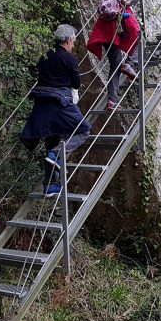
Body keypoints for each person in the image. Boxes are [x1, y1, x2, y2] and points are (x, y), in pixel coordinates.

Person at [21, 24, 92, 197]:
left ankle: (49, 185)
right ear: (68, 40)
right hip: (60, 104)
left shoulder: (45, 56)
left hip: (41, 106)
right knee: (84, 130)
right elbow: (75, 83)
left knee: (51, 141)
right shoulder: (68, 59)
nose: (74, 44)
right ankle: (57, 154)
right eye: (73, 41)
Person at [88, 0, 151, 111]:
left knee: (115, 64)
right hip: (120, 20)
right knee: (138, 36)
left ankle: (112, 101)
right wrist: (131, 1)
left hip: (105, 25)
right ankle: (129, 64)